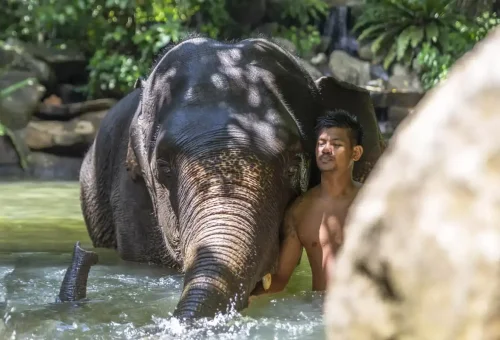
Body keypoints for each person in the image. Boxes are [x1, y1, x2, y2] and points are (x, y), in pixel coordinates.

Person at [251, 109, 364, 297]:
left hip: (365, 311)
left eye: (336, 144)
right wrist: (242, 299)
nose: (326, 149)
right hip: (318, 312)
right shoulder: (300, 210)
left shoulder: (374, 202)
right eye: (321, 143)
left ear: (356, 152)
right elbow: (280, 279)